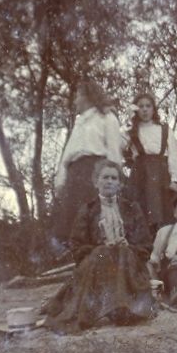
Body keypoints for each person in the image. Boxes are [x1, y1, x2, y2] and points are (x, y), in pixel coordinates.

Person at [45, 159, 155, 331]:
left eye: (114, 178)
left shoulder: (132, 208)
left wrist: (129, 245)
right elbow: (76, 246)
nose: (109, 181)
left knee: (123, 252)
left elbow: (145, 245)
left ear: (120, 184)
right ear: (96, 182)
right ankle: (105, 308)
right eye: (105, 177)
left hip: (127, 263)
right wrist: (100, 247)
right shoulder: (88, 210)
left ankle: (123, 308)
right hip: (97, 264)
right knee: (102, 253)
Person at [52, 80, 123, 243]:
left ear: (87, 97)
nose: (75, 101)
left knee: (92, 215)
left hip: (95, 171)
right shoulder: (79, 122)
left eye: (78, 96)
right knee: (70, 218)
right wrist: (61, 179)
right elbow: (67, 155)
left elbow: (114, 151)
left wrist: (114, 179)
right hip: (74, 173)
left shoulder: (107, 118)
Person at [124, 91, 177, 233]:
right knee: (140, 209)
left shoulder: (164, 129)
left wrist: (174, 179)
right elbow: (118, 144)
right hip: (140, 174)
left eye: (148, 106)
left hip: (161, 174)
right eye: (141, 106)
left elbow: (173, 155)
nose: (144, 109)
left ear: (153, 109)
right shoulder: (131, 130)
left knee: (162, 209)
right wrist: (129, 120)